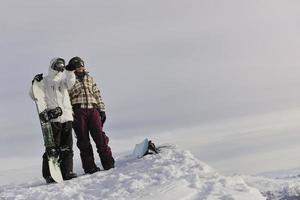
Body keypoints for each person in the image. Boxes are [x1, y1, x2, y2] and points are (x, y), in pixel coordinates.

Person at [30, 57, 77, 183]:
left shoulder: (63, 81)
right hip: (54, 119)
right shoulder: (45, 81)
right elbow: (34, 95)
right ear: (52, 66)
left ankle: (67, 171)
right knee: (52, 148)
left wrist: (70, 71)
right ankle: (49, 174)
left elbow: (71, 82)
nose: (60, 68)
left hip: (67, 117)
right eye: (58, 65)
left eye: (62, 66)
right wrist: (35, 83)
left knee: (67, 147)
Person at [67, 56, 115, 174]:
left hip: (93, 110)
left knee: (100, 137)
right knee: (83, 140)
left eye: (81, 65)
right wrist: (70, 114)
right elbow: (66, 98)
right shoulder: (69, 80)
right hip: (78, 111)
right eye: (77, 66)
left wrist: (101, 110)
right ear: (73, 68)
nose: (80, 67)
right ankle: (90, 168)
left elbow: (97, 94)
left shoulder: (90, 78)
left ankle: (108, 164)